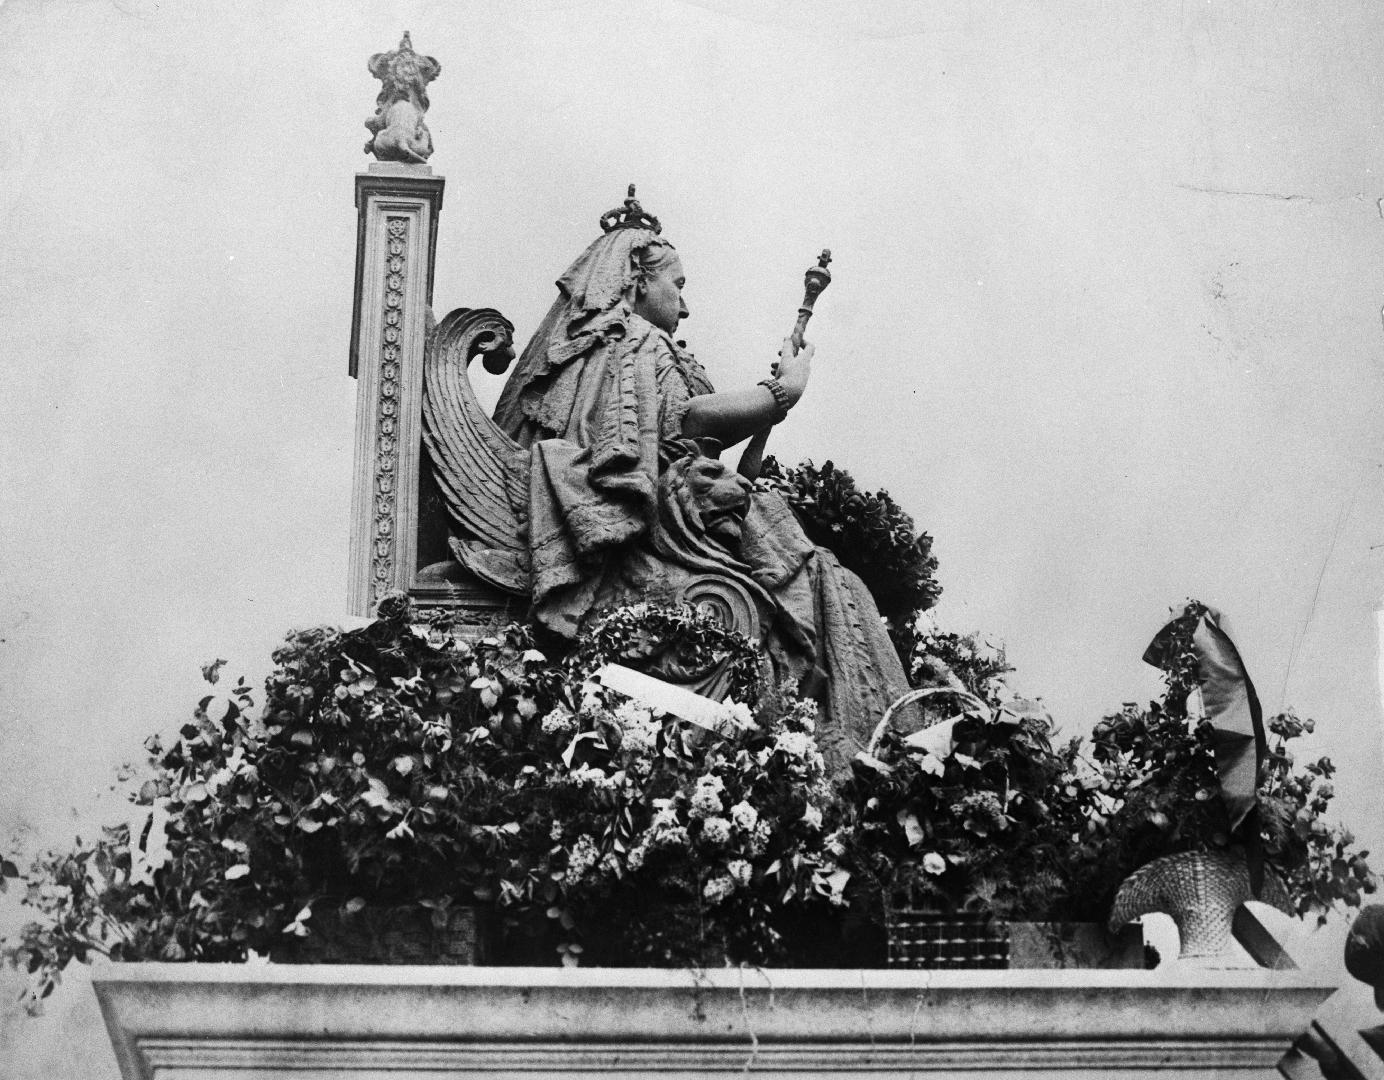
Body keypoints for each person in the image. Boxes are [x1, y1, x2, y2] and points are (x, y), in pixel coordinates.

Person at [491, 190, 912, 774]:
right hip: (664, 534)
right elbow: (686, 426)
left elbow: (707, 459)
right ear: (637, 281)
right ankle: (862, 752)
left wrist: (761, 427)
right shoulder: (636, 341)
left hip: (686, 523)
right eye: (679, 285)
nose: (684, 307)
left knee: (822, 582)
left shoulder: (620, 348)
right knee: (824, 584)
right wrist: (784, 392)